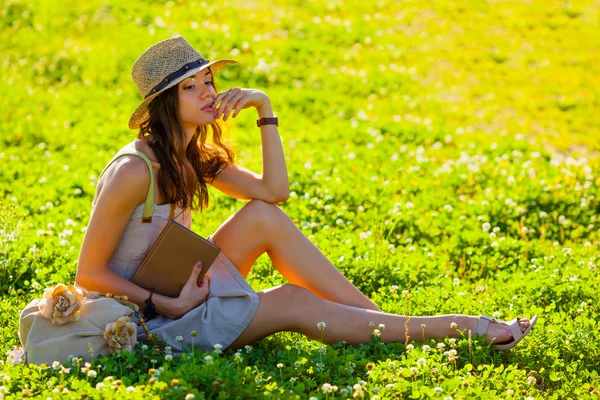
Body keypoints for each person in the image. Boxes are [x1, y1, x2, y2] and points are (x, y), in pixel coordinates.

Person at [75, 35, 536, 354]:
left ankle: (383, 323)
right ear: (165, 103)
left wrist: (265, 110)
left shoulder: (188, 155)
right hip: (145, 319)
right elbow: (89, 272)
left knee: (262, 216)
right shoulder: (134, 171)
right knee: (293, 300)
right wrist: (165, 305)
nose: (207, 92)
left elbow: (275, 193)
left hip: (179, 287)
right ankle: (463, 328)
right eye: (189, 87)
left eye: (208, 80)